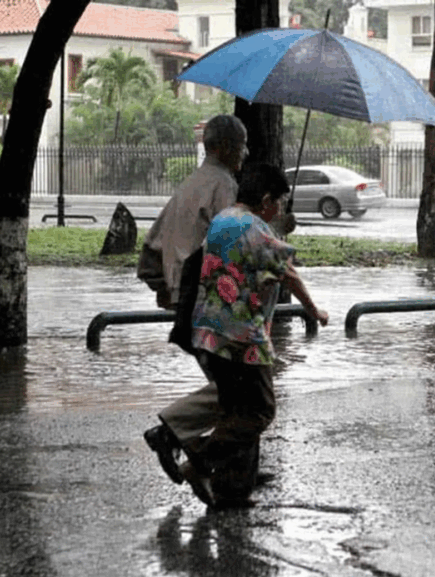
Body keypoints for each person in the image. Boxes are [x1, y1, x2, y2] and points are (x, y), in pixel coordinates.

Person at [180, 163, 329, 508]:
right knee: (260, 410)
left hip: (208, 331)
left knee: (234, 409)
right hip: (240, 336)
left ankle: (230, 490)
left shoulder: (223, 219)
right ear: (265, 200)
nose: (280, 208)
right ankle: (199, 459)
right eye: (279, 202)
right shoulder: (256, 229)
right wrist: (314, 310)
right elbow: (288, 274)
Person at [141, 114, 247, 487]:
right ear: (224, 147)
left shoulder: (190, 184)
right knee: (242, 391)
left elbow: (151, 247)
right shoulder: (223, 185)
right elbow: (235, 244)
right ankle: (172, 432)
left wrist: (169, 289)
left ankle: (233, 474)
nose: (245, 153)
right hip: (211, 301)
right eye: (241, 146)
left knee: (236, 386)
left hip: (188, 299)